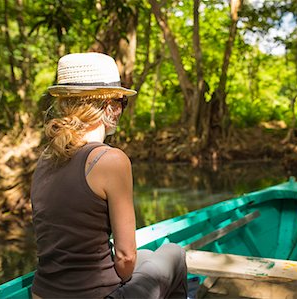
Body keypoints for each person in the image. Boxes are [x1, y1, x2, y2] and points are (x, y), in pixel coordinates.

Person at [30, 52, 188, 299]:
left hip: (42, 294)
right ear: (110, 108)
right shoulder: (111, 160)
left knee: (148, 256)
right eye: (121, 103)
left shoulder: (46, 158)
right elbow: (126, 258)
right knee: (174, 252)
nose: (120, 110)